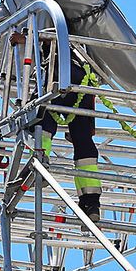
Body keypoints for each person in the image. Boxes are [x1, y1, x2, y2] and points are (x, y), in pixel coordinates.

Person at [36, 50, 102, 224]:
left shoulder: (51, 41)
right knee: (83, 138)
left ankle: (38, 163)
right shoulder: (81, 48)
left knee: (42, 123)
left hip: (55, 75)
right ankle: (91, 202)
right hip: (81, 79)